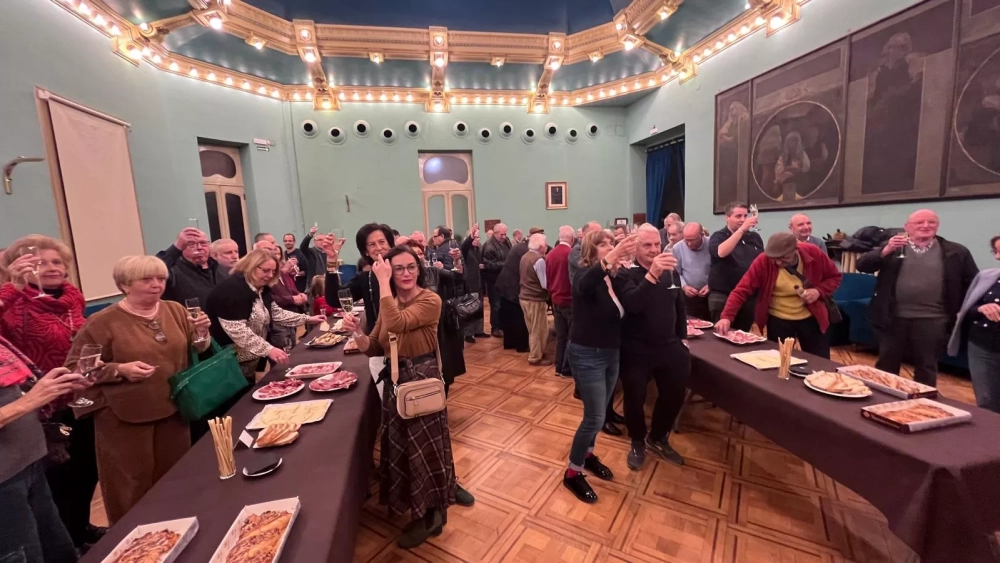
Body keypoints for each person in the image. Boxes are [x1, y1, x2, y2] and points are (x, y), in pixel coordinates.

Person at [66, 255, 212, 524]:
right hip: (124, 416)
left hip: (173, 407)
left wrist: (202, 333)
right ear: (124, 285)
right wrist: (119, 370)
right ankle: (134, 538)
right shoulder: (102, 322)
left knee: (175, 477)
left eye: (161, 279)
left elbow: (197, 347)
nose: (157, 284)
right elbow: (76, 368)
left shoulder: (175, 310)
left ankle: (176, 529)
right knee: (131, 486)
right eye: (147, 279)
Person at [339, 248, 457, 549]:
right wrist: (357, 332)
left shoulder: (430, 300)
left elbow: (398, 323)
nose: (406, 273)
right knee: (406, 450)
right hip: (397, 382)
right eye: (398, 269)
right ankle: (422, 510)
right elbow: (374, 346)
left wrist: (382, 282)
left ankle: (432, 515)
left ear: (419, 270)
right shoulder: (389, 304)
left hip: (421, 382)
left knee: (425, 451)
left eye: (410, 267)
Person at [0, 237, 101, 552]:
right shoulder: (14, 304)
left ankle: (80, 529)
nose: (52, 268)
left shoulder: (72, 298)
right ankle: (70, 537)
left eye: (57, 262)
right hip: (37, 407)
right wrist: (12, 287)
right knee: (58, 481)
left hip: (75, 395)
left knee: (85, 471)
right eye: (41, 263)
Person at [856, 209, 978, 386]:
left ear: (938, 226)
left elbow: (972, 282)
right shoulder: (893, 247)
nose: (925, 226)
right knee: (887, 364)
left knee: (927, 366)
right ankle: (883, 397)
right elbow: (862, 266)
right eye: (919, 222)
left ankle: (924, 399)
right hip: (893, 317)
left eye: (931, 222)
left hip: (934, 319)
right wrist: (885, 250)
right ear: (907, 227)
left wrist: (962, 310)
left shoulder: (957, 251)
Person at [0, 337, 90, 563]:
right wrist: (30, 400)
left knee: (59, 552)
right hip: (5, 483)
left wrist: (58, 385)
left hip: (30, 466)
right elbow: (24, 402)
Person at [562, 231, 636, 504]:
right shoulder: (584, 274)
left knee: (602, 409)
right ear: (591, 250)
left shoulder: (612, 277)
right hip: (587, 354)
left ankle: (587, 454)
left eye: (611, 243)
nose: (609, 247)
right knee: (594, 417)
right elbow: (584, 286)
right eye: (602, 244)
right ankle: (572, 472)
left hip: (610, 352)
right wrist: (612, 256)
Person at [616, 225, 689, 470]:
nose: (654, 249)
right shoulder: (625, 274)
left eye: (657, 244)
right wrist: (653, 274)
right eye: (647, 245)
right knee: (635, 397)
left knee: (675, 393)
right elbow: (633, 304)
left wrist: (683, 337)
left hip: (669, 344)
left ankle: (657, 437)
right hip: (637, 348)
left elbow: (679, 305)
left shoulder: (670, 271)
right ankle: (637, 440)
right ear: (635, 248)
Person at [715, 233, 842, 358]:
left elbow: (835, 277)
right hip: (778, 321)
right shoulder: (764, 260)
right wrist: (726, 317)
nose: (778, 262)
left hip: (812, 318)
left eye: (783, 257)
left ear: (795, 250)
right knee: (779, 361)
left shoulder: (813, 252)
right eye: (774, 258)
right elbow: (741, 290)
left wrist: (818, 291)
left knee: (818, 362)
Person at [205, 250, 324, 380]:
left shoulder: (261, 288)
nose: (270, 275)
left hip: (250, 359)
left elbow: (276, 313)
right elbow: (237, 330)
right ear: (251, 266)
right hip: (227, 362)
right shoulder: (230, 290)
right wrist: (268, 349)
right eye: (266, 270)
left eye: (273, 271)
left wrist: (308, 319)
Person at [404, 241, 467, 393]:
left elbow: (457, 277)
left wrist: (457, 261)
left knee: (443, 372)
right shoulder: (401, 279)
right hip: (415, 333)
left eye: (420, 253)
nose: (419, 257)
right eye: (414, 254)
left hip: (439, 330)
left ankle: (441, 403)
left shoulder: (432, 271)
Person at [948, 235, 1000, 413]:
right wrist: (981, 308)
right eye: (996, 251)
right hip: (981, 345)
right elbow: (965, 310)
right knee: (986, 400)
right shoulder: (986, 276)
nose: (998, 256)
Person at [316, 223, 395, 333]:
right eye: (372, 244)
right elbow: (335, 299)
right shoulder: (365, 278)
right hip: (377, 340)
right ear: (366, 252)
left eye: (382, 242)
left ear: (390, 245)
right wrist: (332, 260)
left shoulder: (404, 272)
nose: (378, 248)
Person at [708, 202, 764, 330]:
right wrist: (741, 230)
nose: (743, 220)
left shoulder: (754, 237)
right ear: (727, 218)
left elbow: (760, 262)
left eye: (745, 216)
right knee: (721, 333)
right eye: (738, 216)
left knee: (742, 334)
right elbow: (721, 252)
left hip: (748, 296)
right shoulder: (719, 236)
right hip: (723, 295)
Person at [157, 228, 226, 305]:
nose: (199, 247)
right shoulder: (173, 270)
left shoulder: (219, 267)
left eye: (203, 243)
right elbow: (152, 269)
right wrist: (175, 248)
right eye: (191, 244)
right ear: (181, 248)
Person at [495, 231, 532, 352]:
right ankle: (521, 345)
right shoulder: (527, 250)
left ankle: (509, 343)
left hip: (504, 284)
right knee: (518, 317)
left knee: (508, 316)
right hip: (513, 287)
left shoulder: (519, 247)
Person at [547, 226, 575, 378]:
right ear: (572, 239)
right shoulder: (571, 254)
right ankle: (566, 369)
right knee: (571, 336)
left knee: (560, 336)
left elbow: (548, 279)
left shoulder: (550, 254)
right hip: (569, 300)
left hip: (555, 299)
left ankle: (558, 367)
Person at [519, 233, 551, 365]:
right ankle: (535, 357)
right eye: (546, 245)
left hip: (524, 297)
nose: (547, 247)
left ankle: (536, 352)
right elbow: (545, 284)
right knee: (539, 330)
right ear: (541, 246)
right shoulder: (539, 260)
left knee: (532, 329)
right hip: (535, 299)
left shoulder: (525, 256)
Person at [672, 222, 712, 321]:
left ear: (702, 235)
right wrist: (684, 286)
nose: (689, 244)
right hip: (688, 296)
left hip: (710, 295)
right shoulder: (677, 248)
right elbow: (676, 272)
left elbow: (718, 269)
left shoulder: (712, 244)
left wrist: (710, 284)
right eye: (686, 240)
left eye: (692, 240)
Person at [481, 223, 511, 337]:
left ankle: (504, 326)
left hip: (504, 279)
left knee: (504, 304)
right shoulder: (489, 246)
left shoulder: (506, 241)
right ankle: (495, 328)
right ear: (495, 233)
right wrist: (507, 264)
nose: (504, 236)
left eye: (505, 234)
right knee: (496, 305)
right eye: (501, 234)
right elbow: (489, 265)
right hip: (494, 280)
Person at [460, 224, 488, 341]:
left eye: (478, 238)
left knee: (479, 308)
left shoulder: (478, 249)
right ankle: (468, 333)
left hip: (479, 282)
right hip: (470, 283)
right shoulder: (466, 250)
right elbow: (464, 246)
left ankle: (478, 330)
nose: (477, 240)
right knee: (470, 308)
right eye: (475, 238)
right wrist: (470, 237)